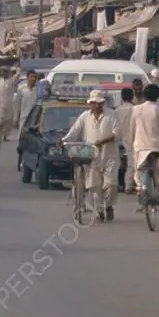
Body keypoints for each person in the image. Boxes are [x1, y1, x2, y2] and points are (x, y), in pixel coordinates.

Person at [60, 90, 120, 221]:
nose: (97, 106)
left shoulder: (112, 115)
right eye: (94, 103)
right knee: (94, 186)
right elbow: (74, 132)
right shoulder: (84, 117)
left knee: (111, 185)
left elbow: (117, 134)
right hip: (91, 156)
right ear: (90, 103)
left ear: (103, 103)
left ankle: (109, 206)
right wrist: (63, 140)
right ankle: (99, 211)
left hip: (110, 156)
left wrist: (102, 141)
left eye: (99, 103)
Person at [130, 84, 159, 211]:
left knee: (138, 172)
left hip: (140, 147)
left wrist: (133, 142)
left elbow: (132, 130)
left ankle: (141, 189)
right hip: (158, 148)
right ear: (157, 96)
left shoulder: (136, 109)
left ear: (144, 95)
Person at [116, 88, 138, 194]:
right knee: (132, 163)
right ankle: (129, 185)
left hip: (118, 138)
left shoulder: (117, 110)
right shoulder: (135, 109)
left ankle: (121, 184)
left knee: (117, 163)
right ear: (132, 96)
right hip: (132, 138)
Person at [0, 66, 18, 142]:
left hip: (9, 104)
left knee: (8, 121)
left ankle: (5, 136)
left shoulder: (11, 80)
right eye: (3, 71)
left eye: (6, 71)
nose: (4, 73)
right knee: (0, 121)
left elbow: (18, 74)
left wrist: (17, 64)